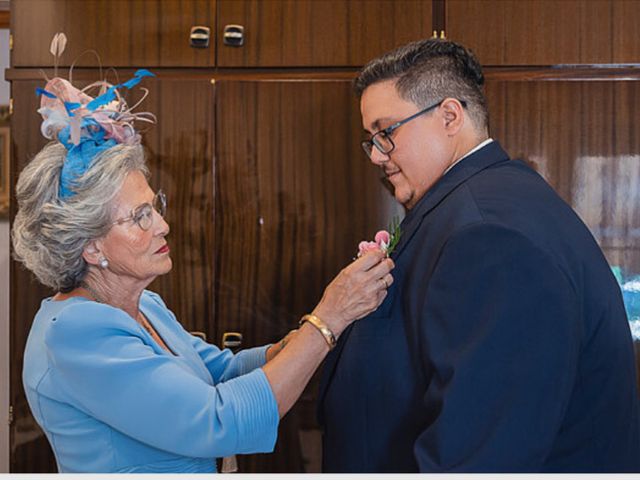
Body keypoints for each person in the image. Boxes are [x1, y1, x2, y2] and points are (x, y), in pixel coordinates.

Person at [12, 68, 394, 473]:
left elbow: (222, 372)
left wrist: (299, 339)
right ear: (90, 246)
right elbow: (219, 420)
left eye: (154, 206)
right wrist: (328, 319)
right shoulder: (75, 334)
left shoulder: (146, 305)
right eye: (140, 217)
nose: (163, 224)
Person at [319, 38, 640, 472]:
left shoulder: (489, 234)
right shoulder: (476, 205)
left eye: (386, 132)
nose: (377, 155)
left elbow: (483, 452)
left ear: (450, 115)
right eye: (371, 139)